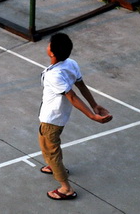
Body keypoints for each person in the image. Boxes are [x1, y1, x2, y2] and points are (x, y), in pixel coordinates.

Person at [38, 33, 112, 200]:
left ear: (52, 53)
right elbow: (81, 85)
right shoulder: (71, 63)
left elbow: (72, 96)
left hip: (52, 119)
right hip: (56, 117)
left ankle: (65, 188)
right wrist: (94, 105)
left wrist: (92, 116)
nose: (47, 45)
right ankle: (54, 167)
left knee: (51, 150)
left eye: (49, 44)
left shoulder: (54, 75)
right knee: (45, 143)